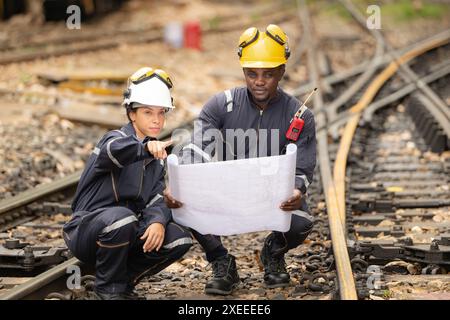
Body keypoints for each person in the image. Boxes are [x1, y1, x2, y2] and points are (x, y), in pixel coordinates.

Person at [165, 24, 316, 295]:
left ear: (282, 70)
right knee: (184, 202)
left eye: (268, 74)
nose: (259, 81)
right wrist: (180, 182)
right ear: (243, 71)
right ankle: (222, 262)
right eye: (252, 73)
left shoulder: (299, 115)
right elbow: (197, 150)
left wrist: (296, 190)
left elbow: (302, 168)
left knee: (301, 220)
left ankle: (272, 253)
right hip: (228, 194)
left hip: (273, 198)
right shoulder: (220, 106)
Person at [63, 67, 193, 300]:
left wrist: (157, 222)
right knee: (122, 217)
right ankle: (107, 291)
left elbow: (158, 198)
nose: (156, 119)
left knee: (179, 237)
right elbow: (115, 151)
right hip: (86, 230)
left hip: (126, 229)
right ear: (132, 114)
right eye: (147, 112)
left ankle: (123, 284)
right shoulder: (114, 140)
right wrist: (144, 148)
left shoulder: (156, 161)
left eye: (161, 113)